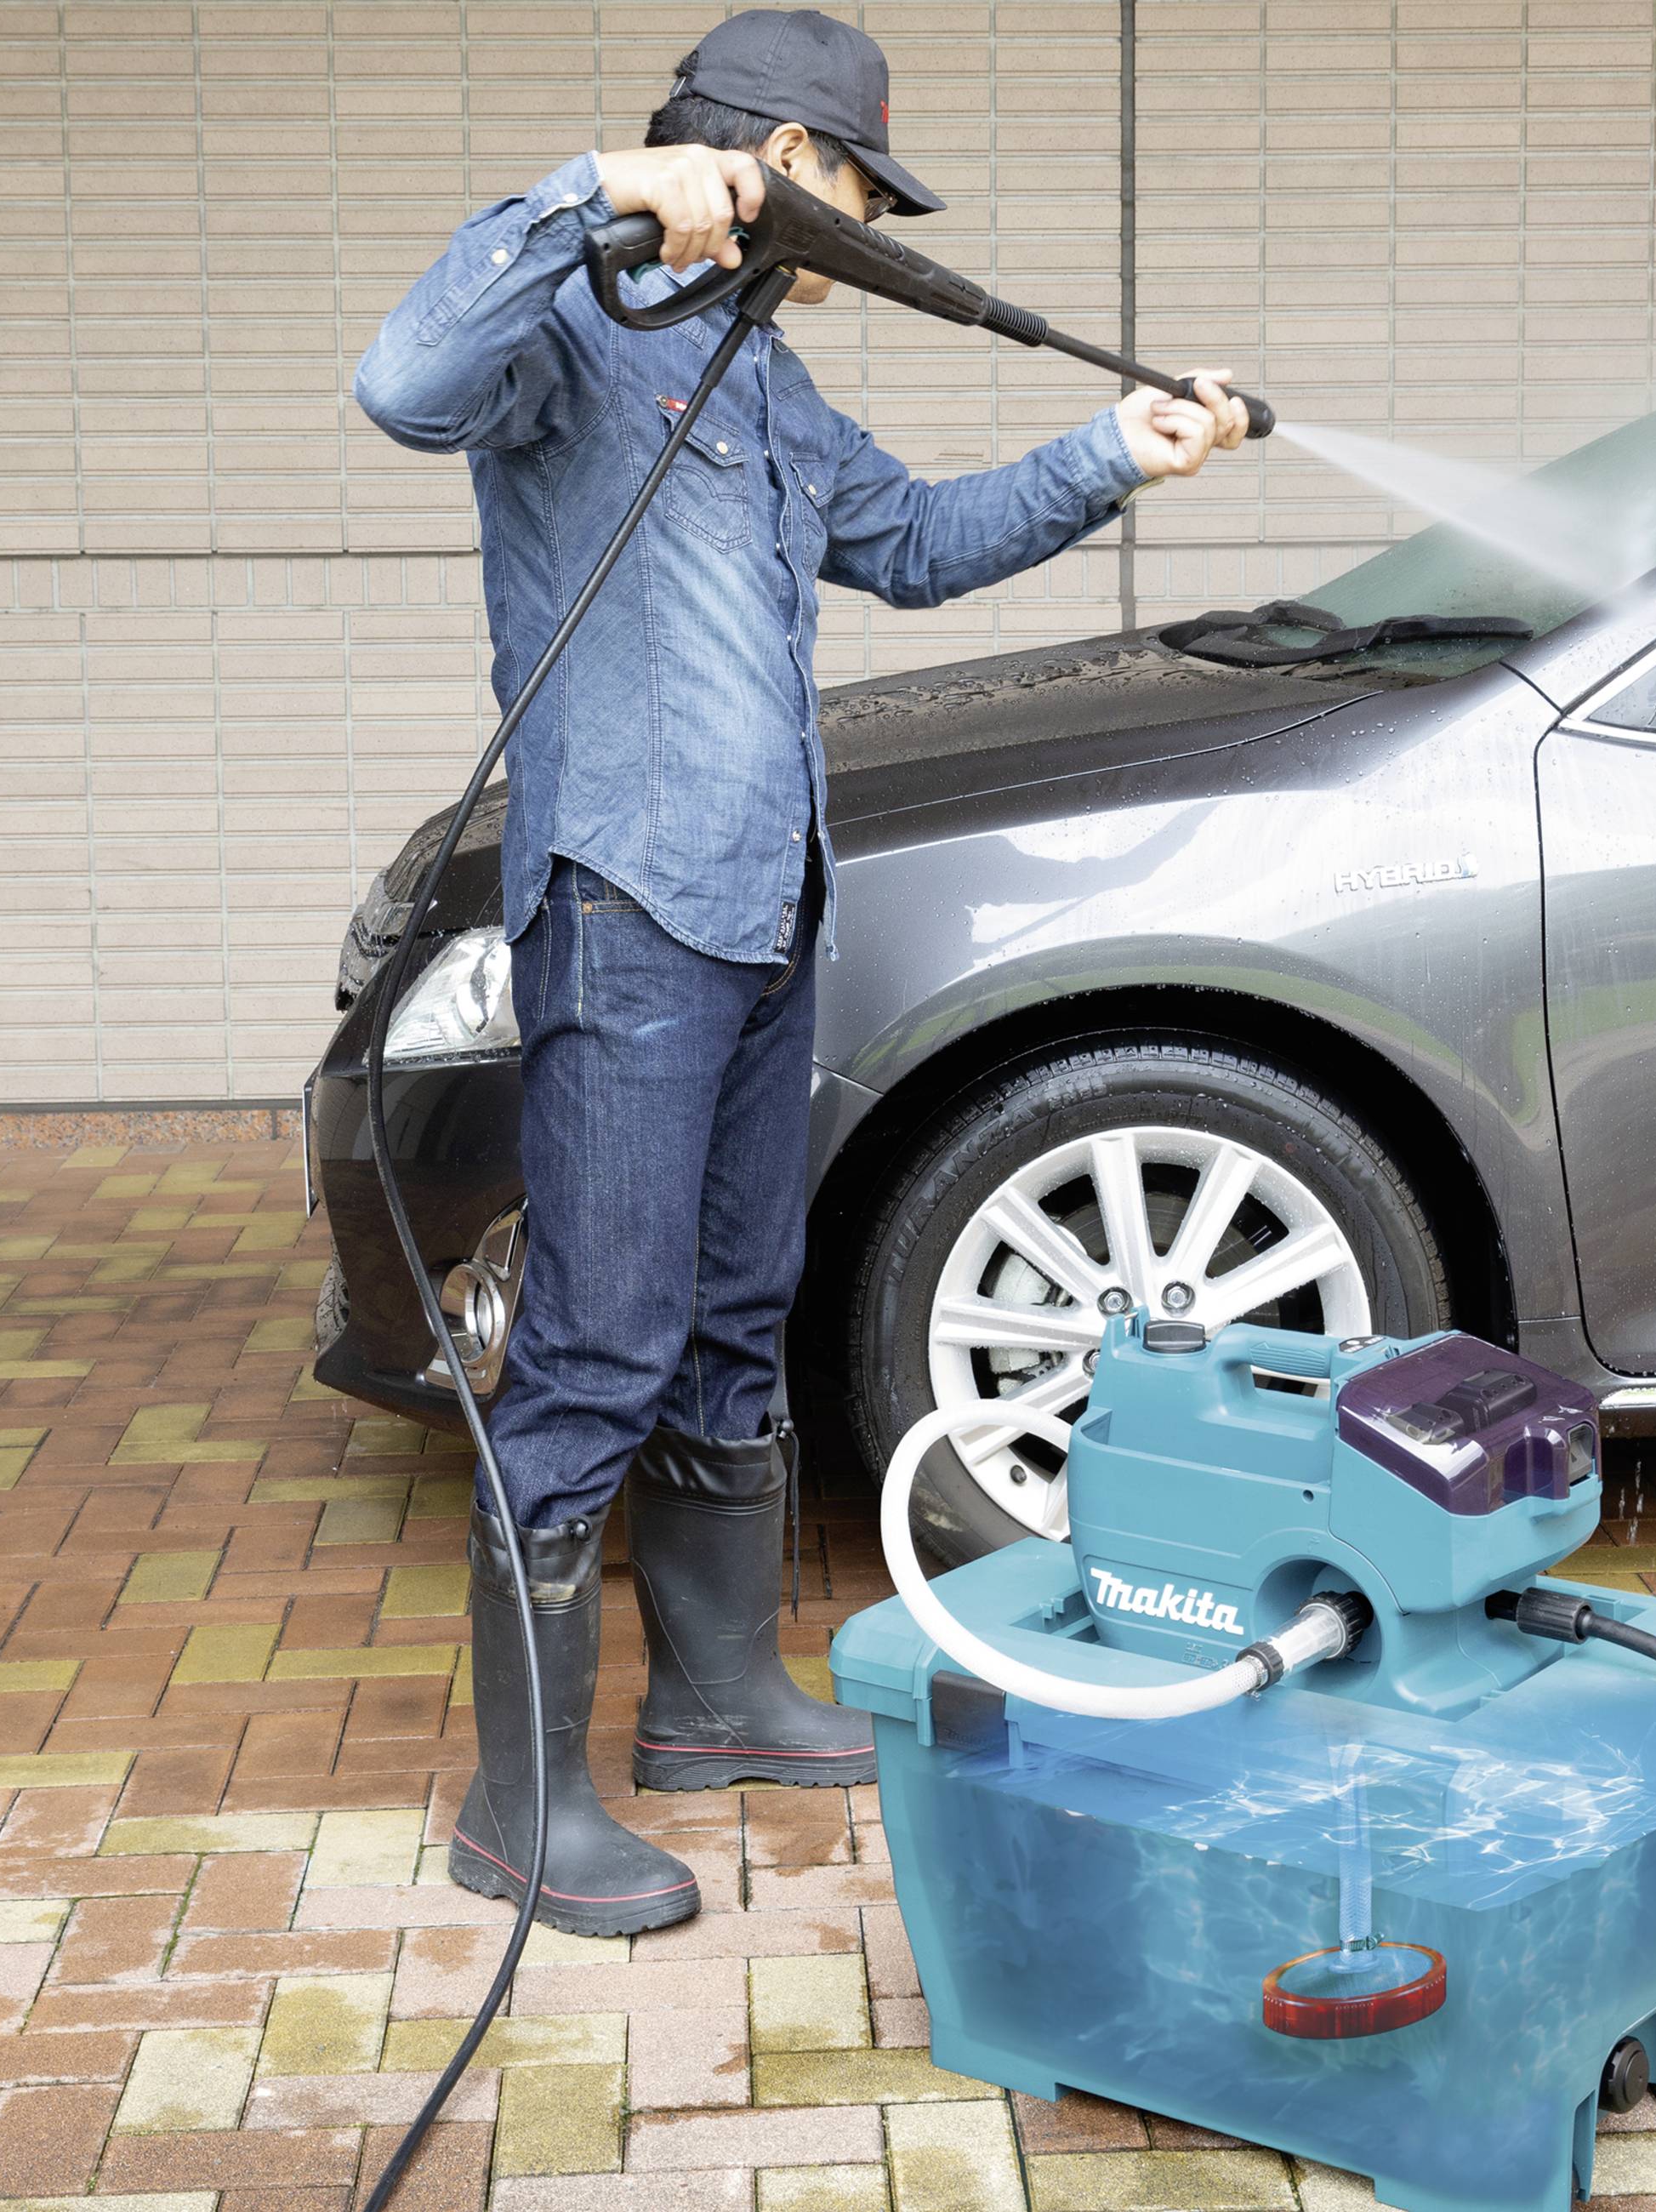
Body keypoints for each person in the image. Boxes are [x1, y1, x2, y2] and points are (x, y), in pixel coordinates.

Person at [355, 6, 1249, 1936]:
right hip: (630, 909)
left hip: (768, 913)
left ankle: (715, 1699)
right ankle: (522, 1809)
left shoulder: (767, 388)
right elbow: (400, 380)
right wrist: (597, 186)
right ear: (764, 162)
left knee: (734, 1313)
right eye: (848, 187)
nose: (861, 230)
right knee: (595, 1339)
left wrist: (1115, 450)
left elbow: (918, 544)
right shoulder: (570, 337)